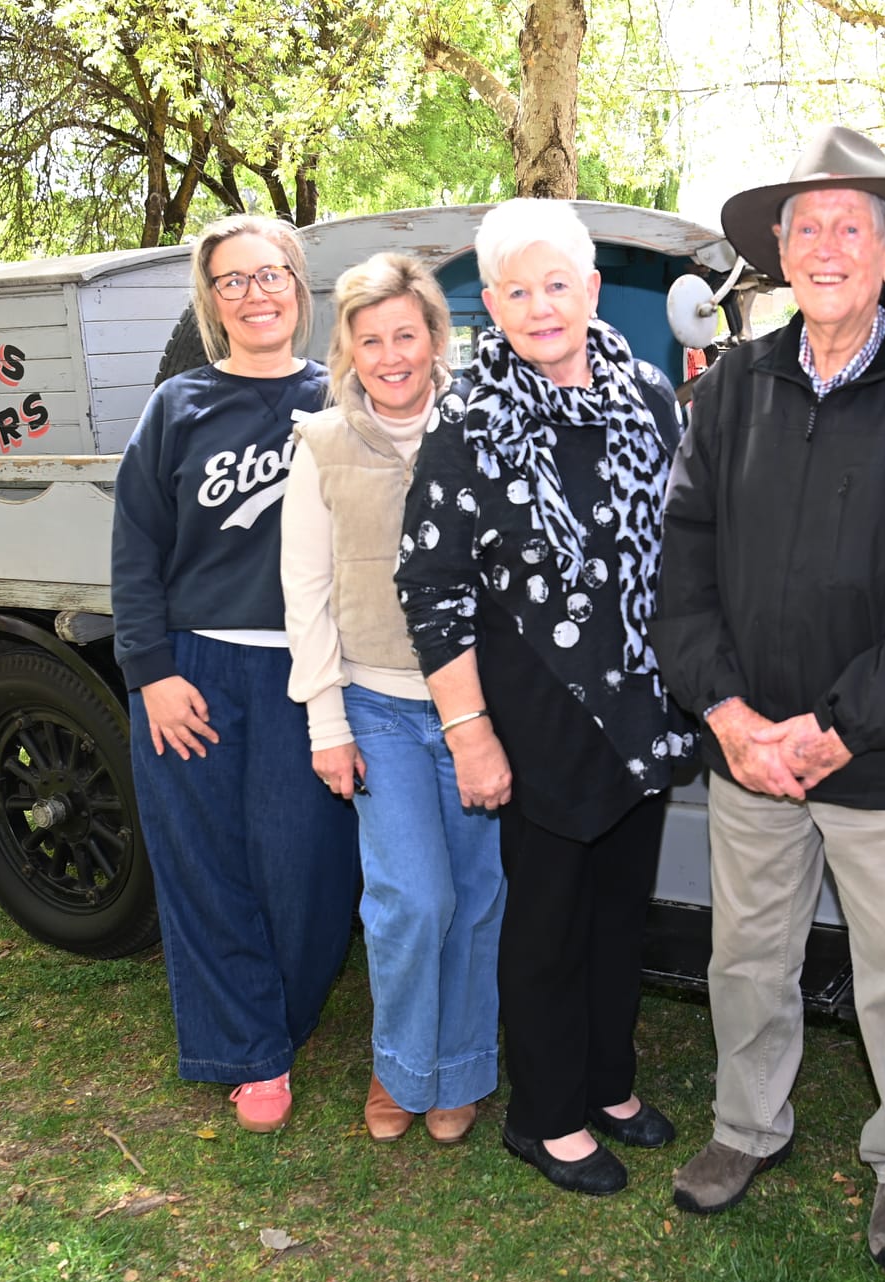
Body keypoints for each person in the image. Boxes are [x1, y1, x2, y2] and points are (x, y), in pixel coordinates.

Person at [653, 125, 885, 1268]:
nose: (826, 244)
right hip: (748, 752)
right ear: (779, 253)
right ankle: (746, 1127)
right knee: (745, 960)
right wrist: (730, 717)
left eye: (851, 225)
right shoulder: (733, 383)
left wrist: (844, 725)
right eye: (806, 227)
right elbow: (682, 564)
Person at [394, 198, 689, 1196]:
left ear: (590, 290)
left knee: (618, 912)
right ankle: (543, 1112)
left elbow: (682, 540)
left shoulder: (647, 392)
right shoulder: (467, 415)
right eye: (514, 290)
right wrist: (469, 732)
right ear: (492, 304)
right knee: (548, 922)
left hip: (639, 705)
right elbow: (428, 587)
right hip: (534, 708)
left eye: (555, 283)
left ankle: (607, 1081)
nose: (538, 304)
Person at [111, 214, 359, 1135]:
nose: (255, 294)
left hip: (312, 669)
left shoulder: (343, 396)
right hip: (196, 667)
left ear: (299, 285)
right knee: (205, 865)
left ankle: (283, 1014)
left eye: (270, 275)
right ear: (211, 301)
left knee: (308, 868)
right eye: (233, 281)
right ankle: (248, 1048)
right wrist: (152, 673)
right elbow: (136, 548)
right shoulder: (177, 405)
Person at [281, 254, 507, 1147]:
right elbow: (306, 594)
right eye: (370, 339)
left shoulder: (485, 429)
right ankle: (402, 1063)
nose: (390, 355)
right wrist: (325, 723)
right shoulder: (323, 444)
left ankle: (459, 1070)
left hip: (480, 710)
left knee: (478, 894)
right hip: (378, 706)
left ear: (434, 337)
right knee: (413, 897)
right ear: (348, 348)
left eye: (405, 335)